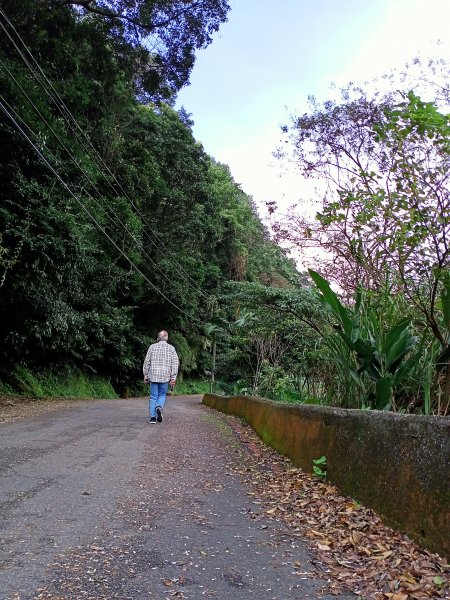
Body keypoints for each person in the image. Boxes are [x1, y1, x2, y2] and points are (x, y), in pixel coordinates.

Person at [143, 330, 179, 424]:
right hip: (165, 376)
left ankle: (152, 418)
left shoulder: (152, 347)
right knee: (162, 395)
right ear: (167, 338)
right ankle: (159, 406)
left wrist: (146, 375)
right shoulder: (171, 348)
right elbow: (175, 363)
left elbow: (147, 362)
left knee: (153, 396)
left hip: (153, 376)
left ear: (158, 337)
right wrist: (173, 377)